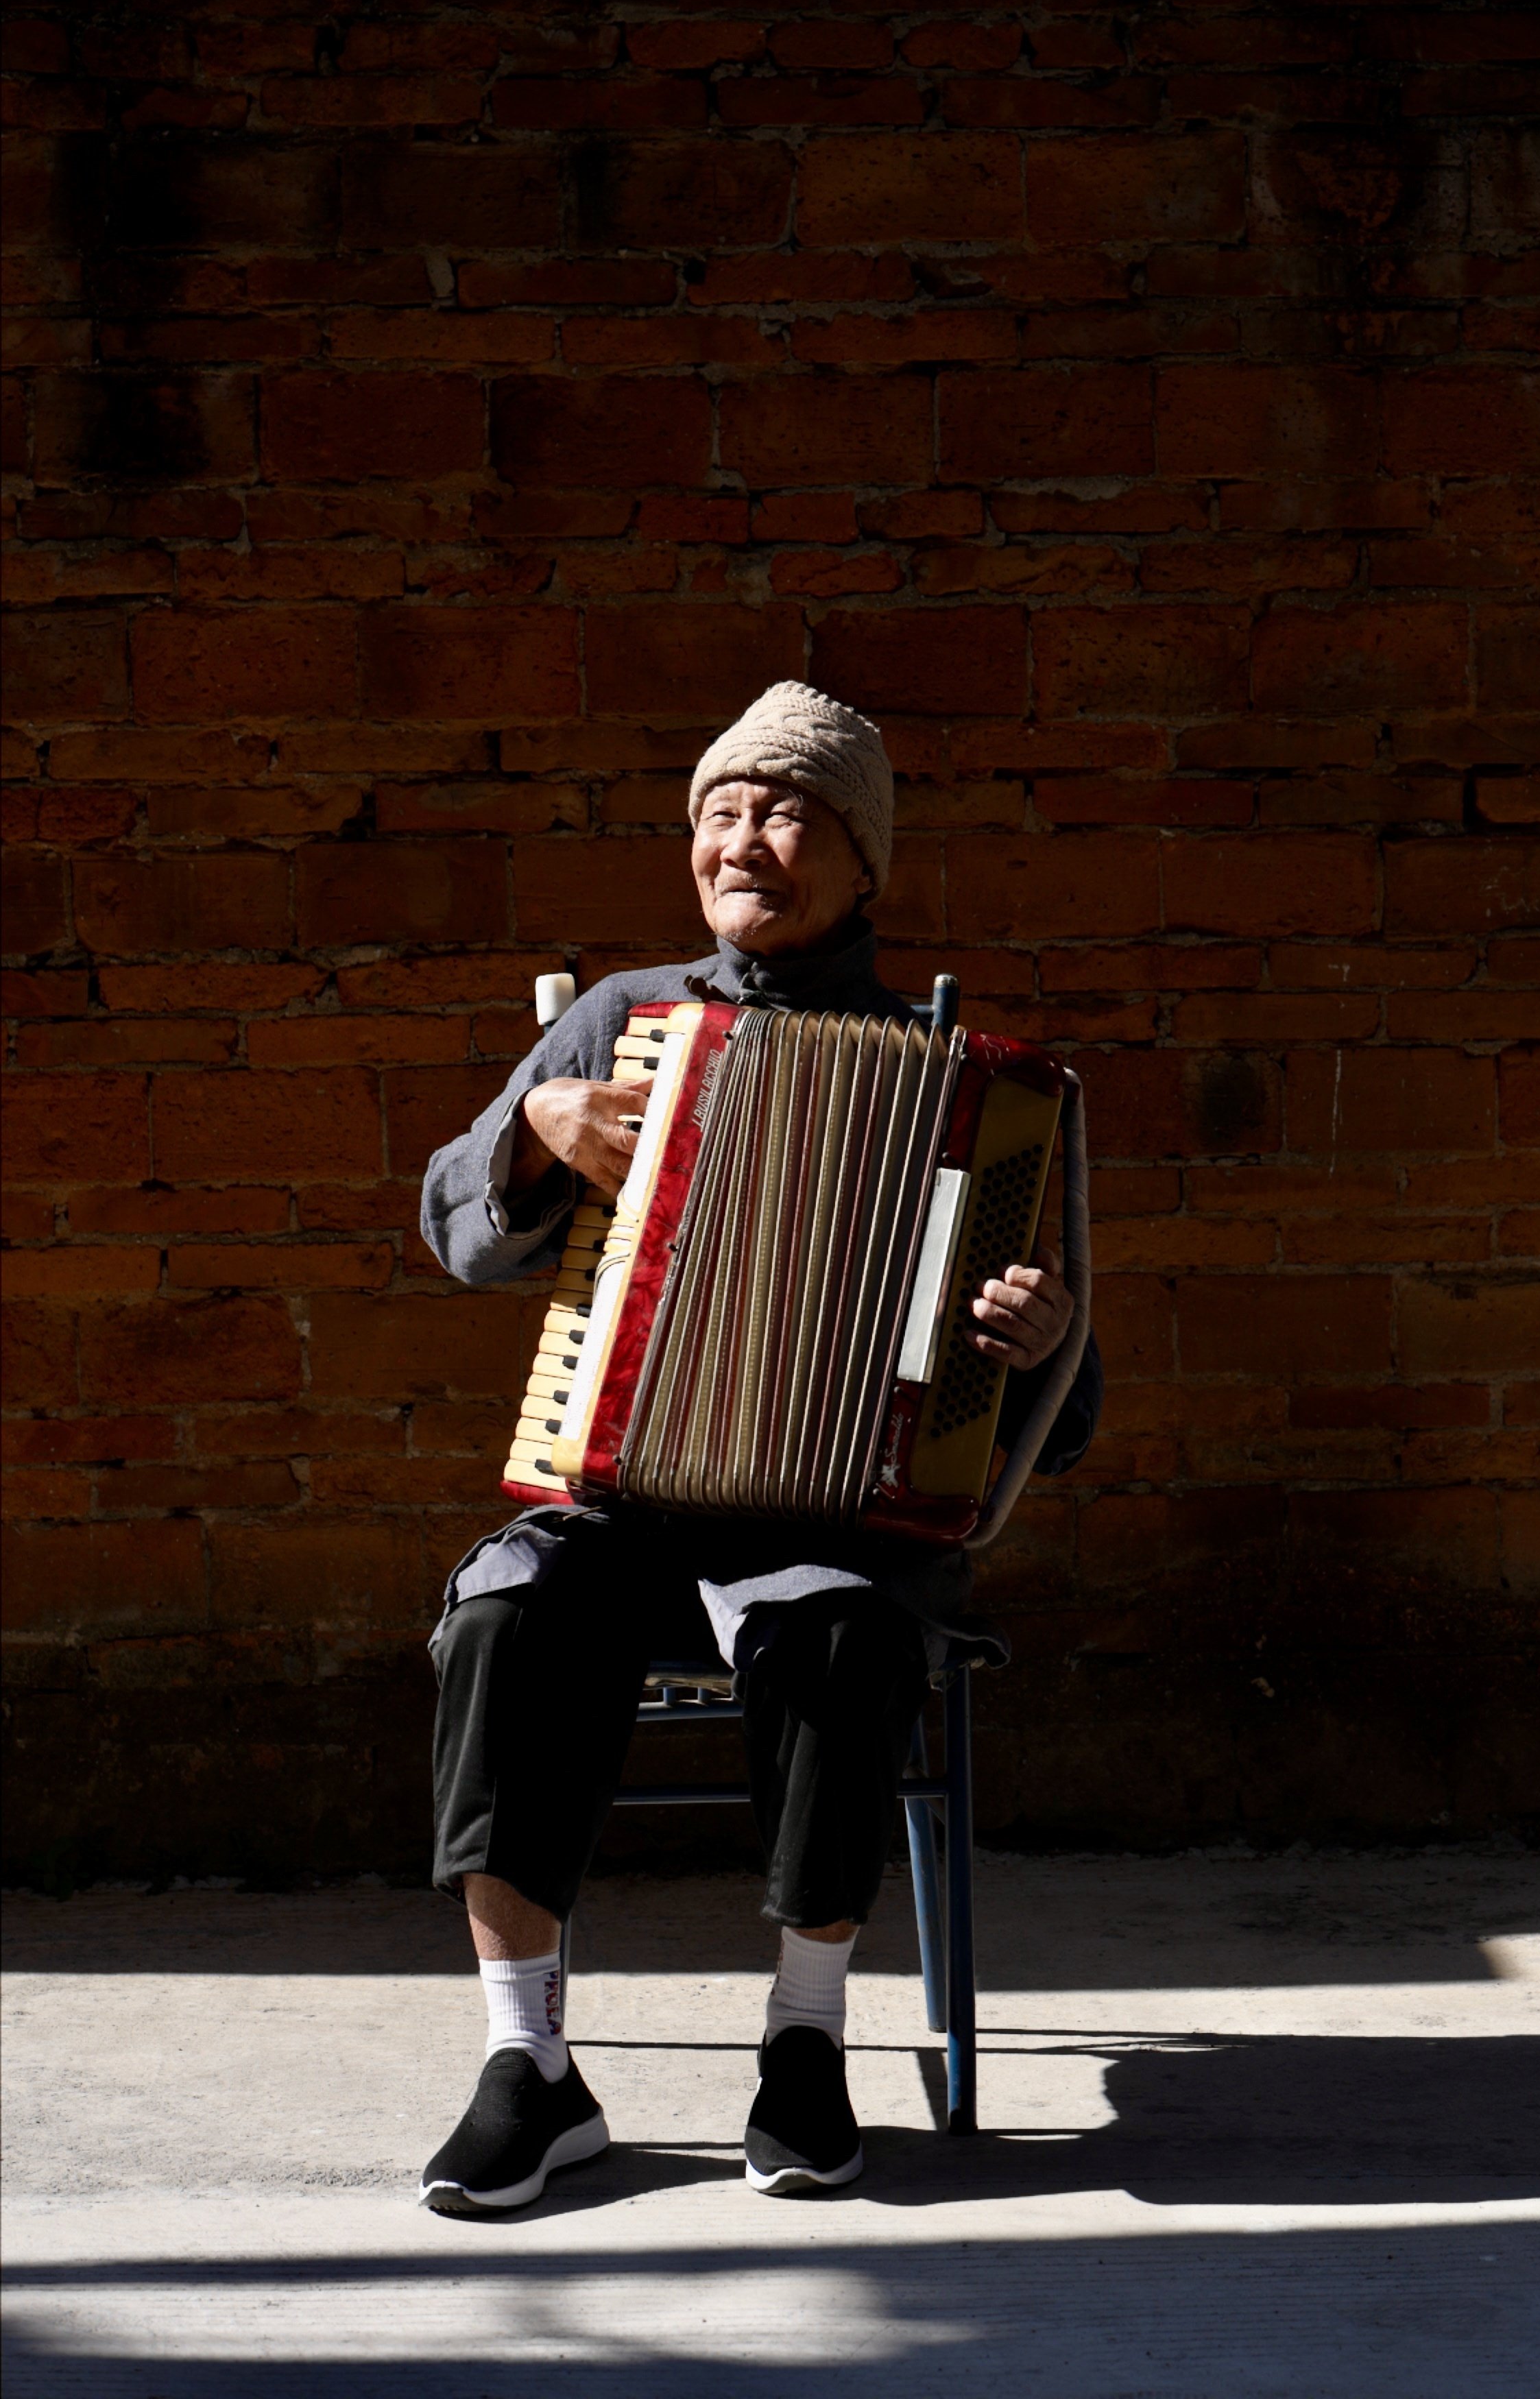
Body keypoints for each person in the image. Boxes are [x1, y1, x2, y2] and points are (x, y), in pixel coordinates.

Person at [415, 682, 1100, 2215]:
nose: (742, 842)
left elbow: (1064, 1417)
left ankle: (804, 2041)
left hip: (833, 1523)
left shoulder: (964, 1086)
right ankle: (528, 2064)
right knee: (505, 1616)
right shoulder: (618, 1021)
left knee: (846, 1638)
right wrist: (535, 1130)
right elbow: (457, 1232)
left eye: (784, 813)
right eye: (718, 813)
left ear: (863, 861)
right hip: (621, 1504)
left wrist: (1041, 1341)